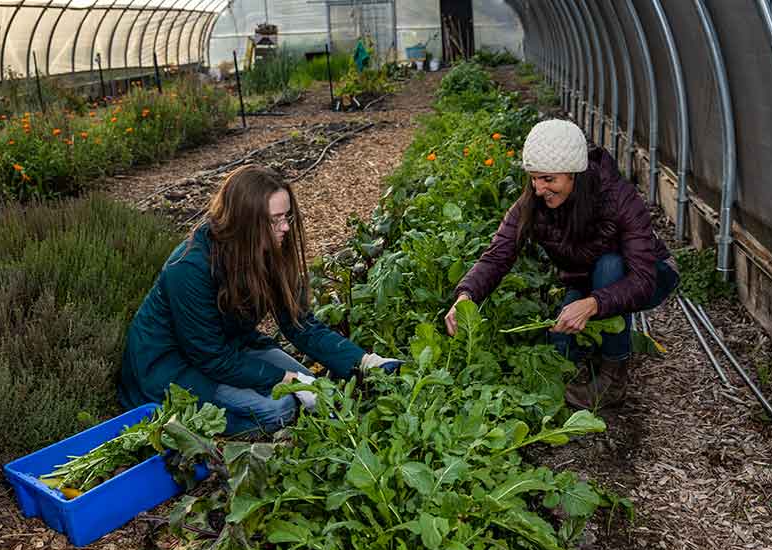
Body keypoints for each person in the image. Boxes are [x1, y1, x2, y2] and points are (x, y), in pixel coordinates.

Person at [119, 165, 400, 436]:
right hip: (173, 366)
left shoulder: (266, 248)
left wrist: (365, 362)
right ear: (244, 221)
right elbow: (209, 356)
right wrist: (286, 380)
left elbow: (300, 324)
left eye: (286, 216)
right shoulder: (190, 268)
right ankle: (189, 426)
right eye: (274, 219)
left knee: (313, 387)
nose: (285, 228)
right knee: (279, 407)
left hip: (230, 349)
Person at [445, 119, 679, 410]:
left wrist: (592, 304)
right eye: (533, 178)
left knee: (609, 266)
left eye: (548, 179)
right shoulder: (533, 202)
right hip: (586, 279)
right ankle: (601, 338)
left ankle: (614, 378)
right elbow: (498, 254)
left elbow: (642, 281)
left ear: (574, 175)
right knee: (560, 349)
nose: (539, 188)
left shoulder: (618, 198)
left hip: (651, 274)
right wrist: (466, 297)